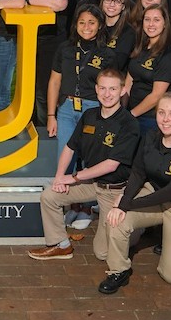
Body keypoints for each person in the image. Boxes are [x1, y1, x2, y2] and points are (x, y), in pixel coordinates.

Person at [28, 69, 140, 261]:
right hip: (92, 183)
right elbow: (70, 147)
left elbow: (111, 165)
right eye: (103, 88)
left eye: (113, 89)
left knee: (102, 253)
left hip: (115, 190)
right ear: (96, 89)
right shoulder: (89, 115)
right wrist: (59, 177)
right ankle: (60, 245)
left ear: (122, 91)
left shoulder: (129, 124)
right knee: (49, 196)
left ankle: (134, 225)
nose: (107, 94)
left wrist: (73, 178)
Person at [100, 92, 171, 294]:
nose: (166, 119)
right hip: (155, 192)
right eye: (161, 112)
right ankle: (118, 271)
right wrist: (124, 200)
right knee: (116, 218)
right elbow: (138, 172)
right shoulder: (150, 136)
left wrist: (128, 204)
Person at [46, 4, 112, 153]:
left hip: (93, 109)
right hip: (66, 109)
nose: (86, 27)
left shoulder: (107, 54)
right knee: (65, 157)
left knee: (90, 156)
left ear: (100, 25)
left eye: (92, 22)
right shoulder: (64, 48)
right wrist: (51, 115)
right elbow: (54, 82)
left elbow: (112, 88)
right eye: (82, 22)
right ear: (75, 25)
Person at [25, 0, 72, 127]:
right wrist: (46, 0)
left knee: (46, 90)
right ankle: (27, 129)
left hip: (52, 42)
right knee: (27, 89)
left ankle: (46, 133)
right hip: (27, 40)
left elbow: (60, 3)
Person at [126, 4, 171, 133]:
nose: (151, 24)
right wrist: (122, 111)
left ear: (165, 23)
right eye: (147, 19)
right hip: (131, 115)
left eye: (156, 20)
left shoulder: (169, 55)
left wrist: (131, 115)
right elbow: (129, 81)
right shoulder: (141, 47)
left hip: (150, 119)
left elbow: (157, 95)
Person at [100, 0, 133, 70]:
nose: (112, 4)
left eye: (118, 1)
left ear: (123, 6)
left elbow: (117, 63)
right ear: (102, 1)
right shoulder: (95, 26)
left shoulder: (128, 32)